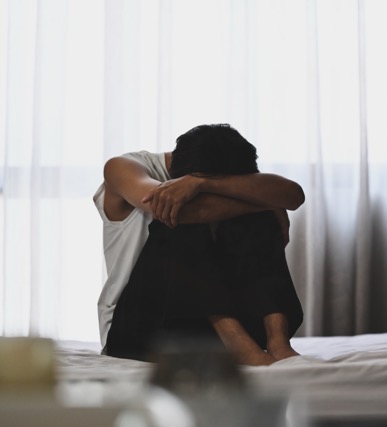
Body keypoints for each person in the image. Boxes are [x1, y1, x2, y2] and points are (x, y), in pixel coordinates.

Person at [93, 124, 305, 365]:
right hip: (141, 331)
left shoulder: (224, 165)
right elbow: (176, 211)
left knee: (258, 219)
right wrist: (268, 203)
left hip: (211, 331)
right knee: (176, 219)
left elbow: (295, 194)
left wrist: (204, 185)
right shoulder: (123, 167)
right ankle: (243, 349)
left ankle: (278, 344)